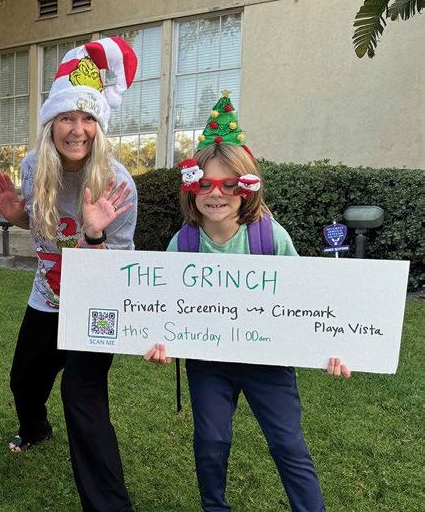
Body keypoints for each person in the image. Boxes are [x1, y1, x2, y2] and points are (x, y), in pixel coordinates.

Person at [144, 92, 351, 512]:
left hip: (267, 361)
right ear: (191, 188)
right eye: (204, 184)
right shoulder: (183, 243)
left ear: (246, 188)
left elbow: (307, 298)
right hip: (209, 360)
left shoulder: (269, 236)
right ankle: (214, 507)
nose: (215, 194)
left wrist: (334, 344)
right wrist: (160, 339)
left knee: (287, 442)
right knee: (211, 439)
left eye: (229, 184)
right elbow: (162, 303)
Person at [0, 37, 140, 511]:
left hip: (96, 305)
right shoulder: (34, 167)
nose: (77, 130)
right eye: (67, 118)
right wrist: (17, 215)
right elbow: (42, 227)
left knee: (82, 396)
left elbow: (115, 270)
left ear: (100, 125)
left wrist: (94, 235)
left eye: (87, 118)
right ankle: (35, 429)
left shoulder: (118, 184)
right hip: (48, 296)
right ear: (51, 123)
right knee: (24, 380)